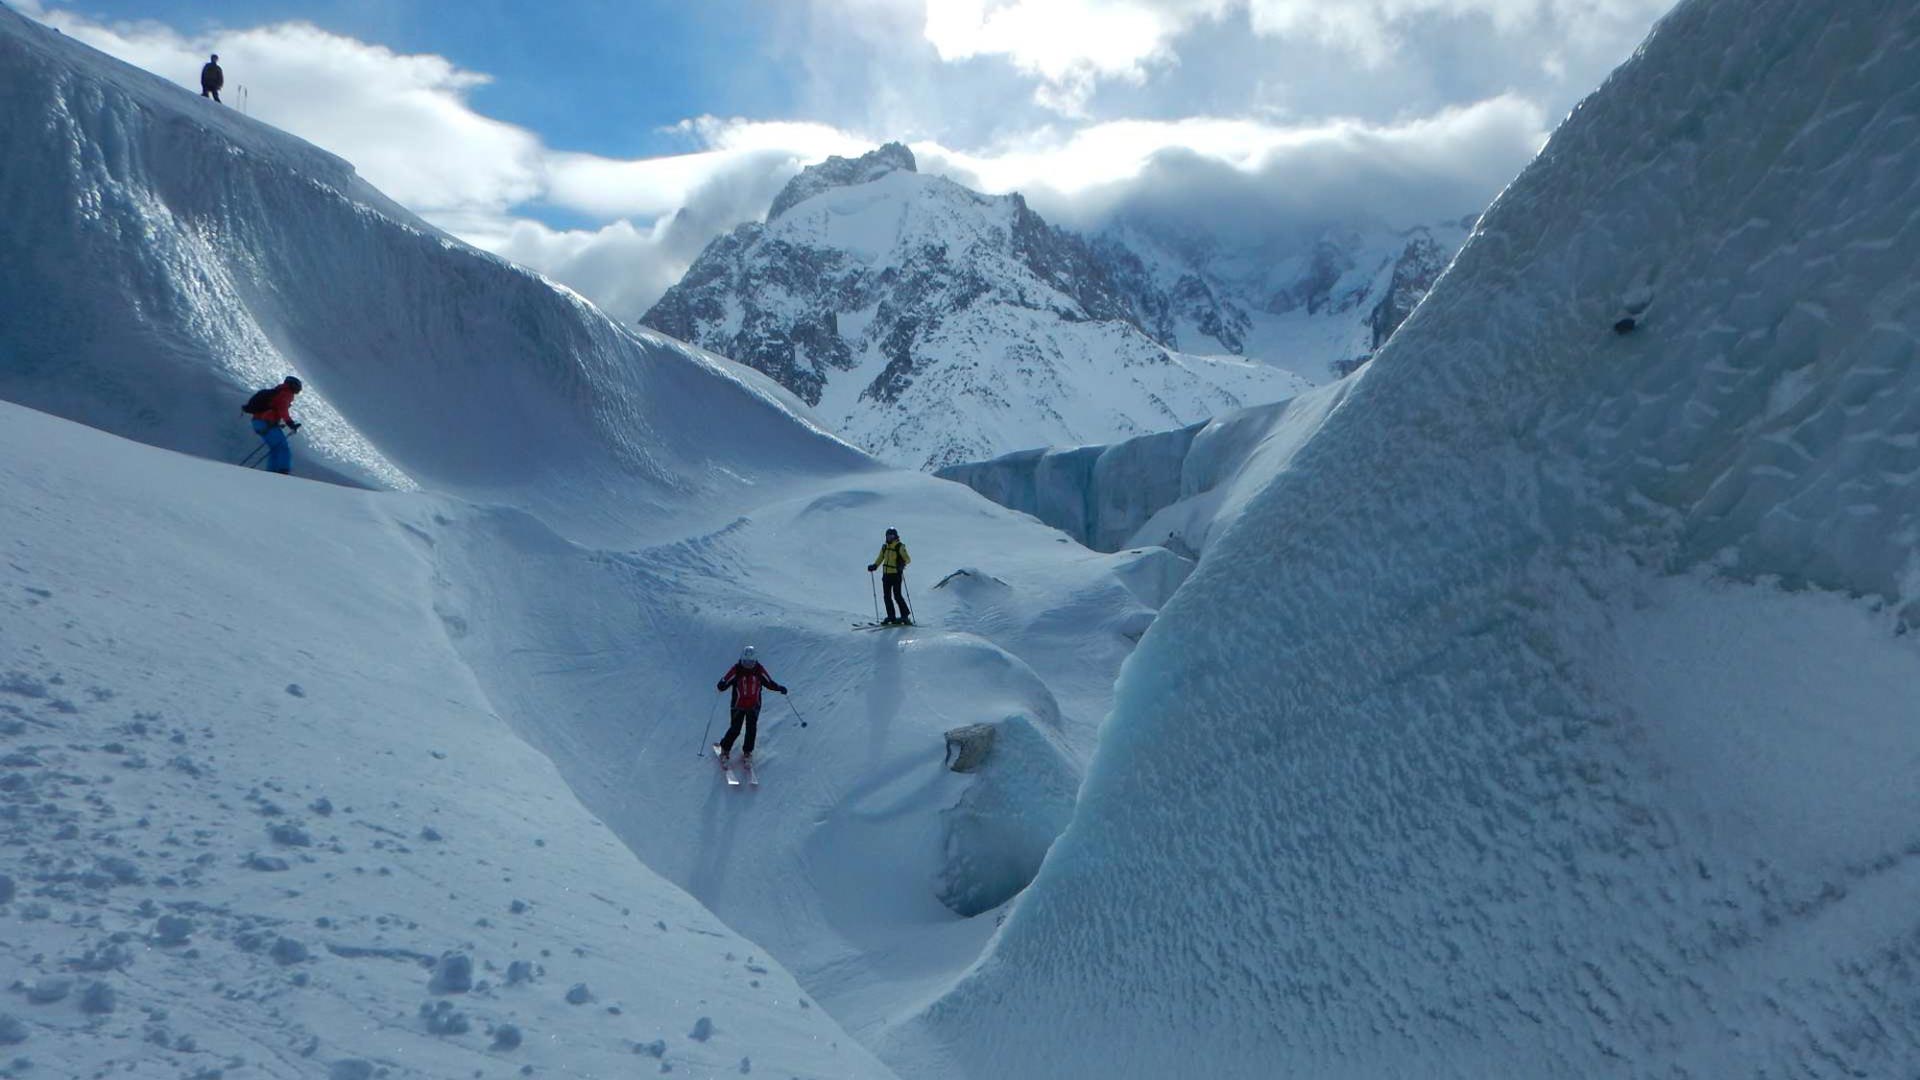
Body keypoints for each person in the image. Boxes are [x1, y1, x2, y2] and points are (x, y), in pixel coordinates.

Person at [714, 645, 786, 768]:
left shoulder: (759, 670)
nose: (748, 665)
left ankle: (747, 753)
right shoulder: (737, 670)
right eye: (745, 662)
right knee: (735, 728)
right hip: (738, 705)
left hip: (754, 705)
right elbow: (725, 681)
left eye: (750, 662)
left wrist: (779, 688)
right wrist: (721, 685)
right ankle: (725, 750)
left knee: (751, 729)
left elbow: (769, 682)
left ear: (755, 661)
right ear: (742, 660)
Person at [245, 376, 303, 475]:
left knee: (275, 448)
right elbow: (283, 410)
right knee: (283, 447)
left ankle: (272, 473)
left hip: (258, 422)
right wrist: (291, 424)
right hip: (266, 423)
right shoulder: (286, 393)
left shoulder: (278, 391)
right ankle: (282, 471)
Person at [868, 527, 912, 625]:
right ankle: (891, 616)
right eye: (888, 536)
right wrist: (875, 566)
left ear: (895, 536)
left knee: (897, 596)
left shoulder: (899, 546)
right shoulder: (885, 547)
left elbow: (908, 559)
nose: (889, 537)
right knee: (887, 597)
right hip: (886, 575)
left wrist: (902, 563)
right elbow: (880, 558)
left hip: (896, 575)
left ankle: (905, 616)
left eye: (891, 536)